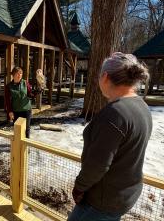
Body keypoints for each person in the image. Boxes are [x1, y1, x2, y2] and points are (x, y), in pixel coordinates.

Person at [68, 52, 152, 221]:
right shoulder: (142, 106)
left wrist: (79, 187)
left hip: (102, 200)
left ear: (105, 77)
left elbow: (98, 164)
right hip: (125, 194)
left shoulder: (114, 114)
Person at [5, 67, 37, 138]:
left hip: (26, 110)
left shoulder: (25, 83)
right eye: (17, 73)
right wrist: (10, 111)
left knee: (26, 129)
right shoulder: (9, 86)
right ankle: (18, 147)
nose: (19, 75)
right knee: (17, 130)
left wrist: (36, 92)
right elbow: (8, 100)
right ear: (13, 75)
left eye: (21, 73)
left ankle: (26, 147)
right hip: (16, 111)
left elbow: (30, 94)